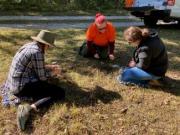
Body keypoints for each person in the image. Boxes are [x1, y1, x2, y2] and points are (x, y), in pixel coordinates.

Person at [0, 30, 65, 130]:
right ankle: (30, 108)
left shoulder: (30, 46)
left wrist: (51, 66)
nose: (49, 48)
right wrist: (53, 73)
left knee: (45, 86)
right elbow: (42, 77)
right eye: (49, 46)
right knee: (59, 92)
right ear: (45, 44)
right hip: (20, 87)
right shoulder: (37, 52)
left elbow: (35, 66)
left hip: (13, 82)